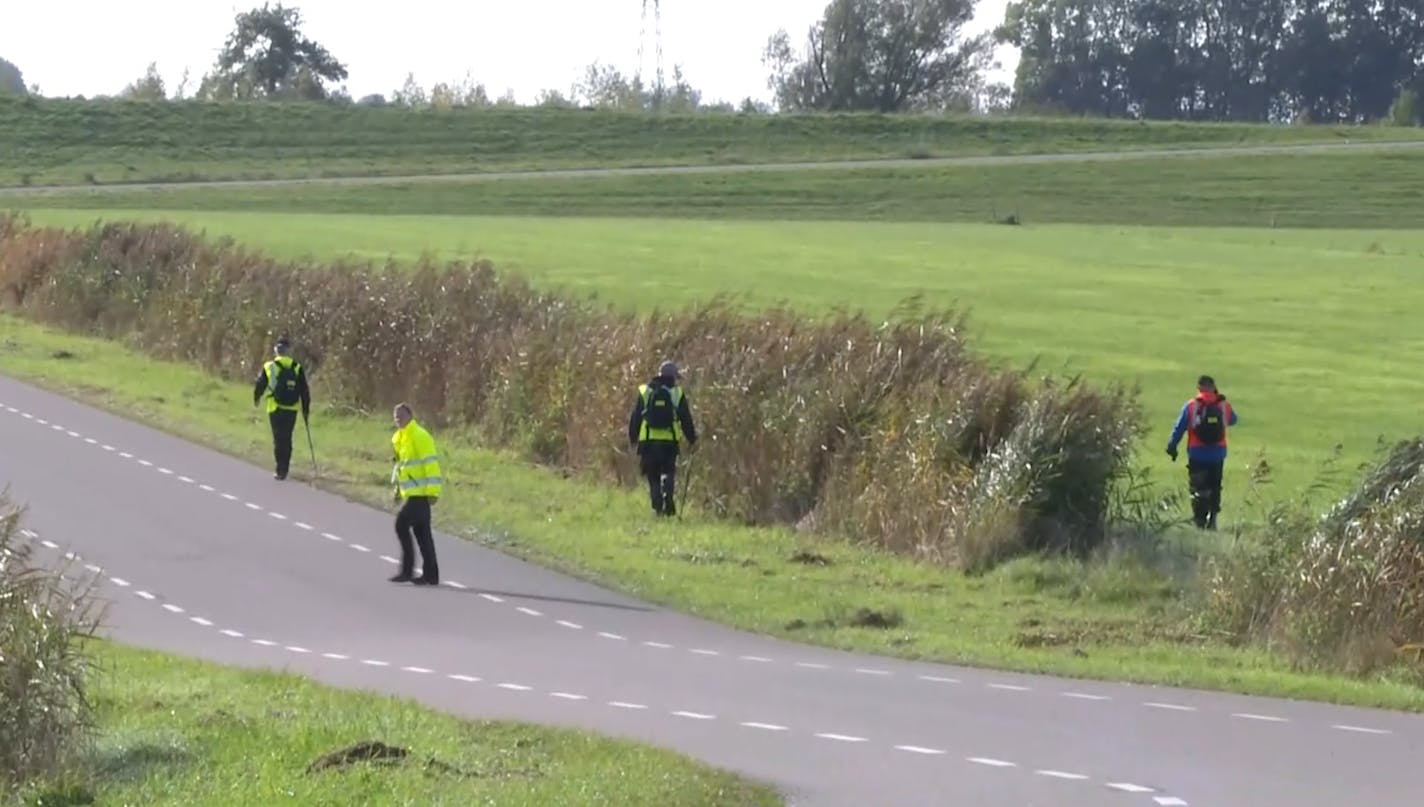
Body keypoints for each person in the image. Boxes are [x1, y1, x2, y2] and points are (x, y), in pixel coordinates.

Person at [1166, 374, 1239, 530]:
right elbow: (1233, 420)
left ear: (1199, 388)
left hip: (1197, 452)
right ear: (1214, 387)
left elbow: (1179, 428)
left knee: (1198, 487)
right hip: (1218, 453)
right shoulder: (1223, 405)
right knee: (1215, 485)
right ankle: (1212, 518)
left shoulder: (1191, 406)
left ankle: (1199, 520)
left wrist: (1172, 446)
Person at [627, 360, 698, 517]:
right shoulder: (676, 393)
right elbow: (685, 418)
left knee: (652, 475)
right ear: (673, 377)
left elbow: (636, 416)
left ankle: (657, 506)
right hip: (669, 441)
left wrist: (633, 437)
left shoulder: (645, 391)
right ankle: (668, 496)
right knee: (668, 471)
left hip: (648, 442)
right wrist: (692, 438)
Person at [389, 402, 442, 585]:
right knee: (422, 533)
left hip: (421, 493)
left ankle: (407, 571)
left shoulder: (419, 436)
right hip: (410, 493)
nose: (398, 419)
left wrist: (433, 491)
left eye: (401, 416)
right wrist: (397, 490)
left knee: (401, 525)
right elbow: (400, 467)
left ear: (410, 416)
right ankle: (431, 575)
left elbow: (431, 464)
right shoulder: (398, 438)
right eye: (396, 417)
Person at [252, 335, 310, 480]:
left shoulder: (269, 366)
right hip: (291, 409)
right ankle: (286, 467)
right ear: (289, 350)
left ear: (276, 350)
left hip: (275, 408)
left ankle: (280, 470)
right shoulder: (297, 367)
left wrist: (257, 398)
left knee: (278, 439)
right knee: (287, 438)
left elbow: (260, 385)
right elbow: (304, 390)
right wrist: (305, 409)